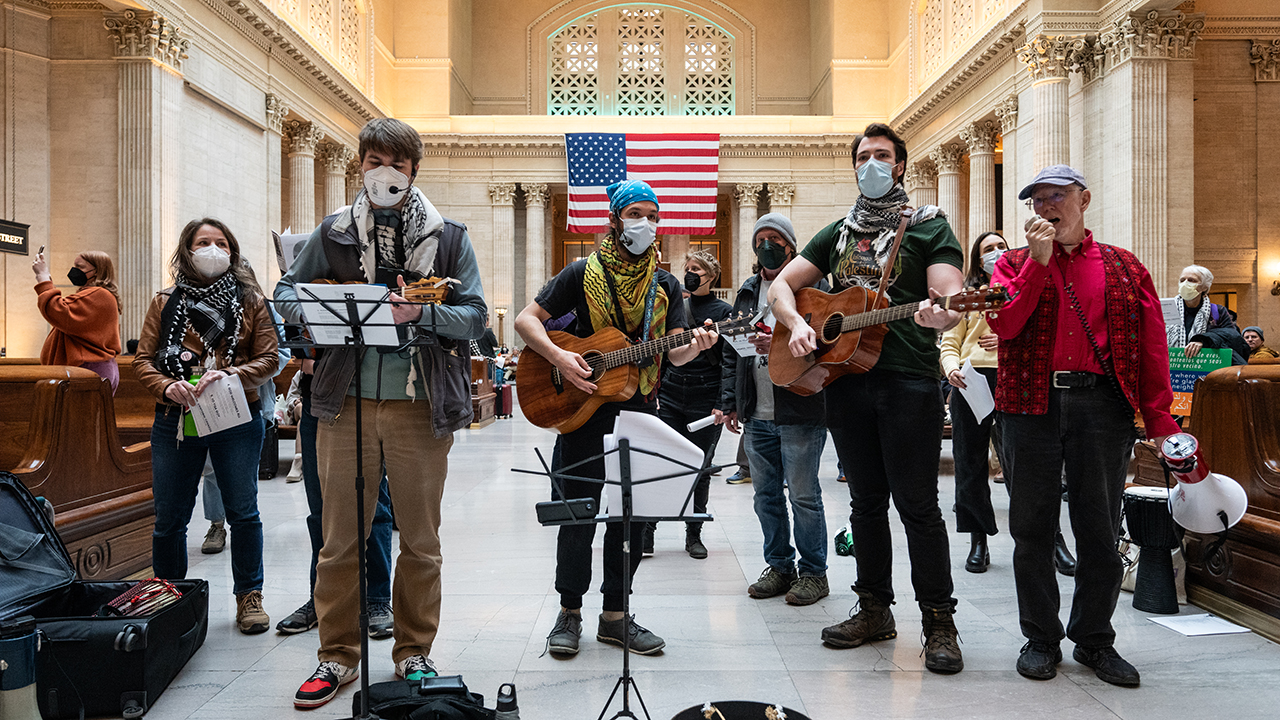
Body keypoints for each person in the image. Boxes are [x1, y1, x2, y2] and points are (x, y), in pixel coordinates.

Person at [275, 117, 487, 708]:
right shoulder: (335, 233)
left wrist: (417, 316)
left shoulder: (450, 237)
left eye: (395, 163)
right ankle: (336, 657)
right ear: (360, 167)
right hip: (345, 404)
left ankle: (413, 651)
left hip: (420, 405)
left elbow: (475, 316)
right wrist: (328, 305)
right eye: (372, 162)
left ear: (413, 169)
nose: (383, 173)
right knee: (340, 540)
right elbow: (284, 293)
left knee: (421, 538)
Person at [769, 123, 965, 673]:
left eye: (882, 156)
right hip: (846, 380)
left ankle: (939, 622)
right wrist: (797, 325)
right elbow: (781, 286)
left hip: (909, 380)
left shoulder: (927, 227)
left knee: (919, 506)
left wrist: (944, 310)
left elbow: (949, 292)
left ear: (900, 165)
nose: (871, 164)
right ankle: (874, 608)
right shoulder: (836, 232)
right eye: (862, 157)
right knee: (864, 504)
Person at [989, 165, 1181, 688]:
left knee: (1099, 527)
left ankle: (1095, 639)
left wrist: (1160, 419)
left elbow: (1151, 347)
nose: (1047, 207)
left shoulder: (1124, 267)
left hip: (1102, 407)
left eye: (1058, 197)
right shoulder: (1009, 264)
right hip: (1030, 405)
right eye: (1037, 201)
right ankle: (1041, 638)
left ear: (1084, 199)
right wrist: (1038, 264)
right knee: (1032, 528)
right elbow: (1004, 323)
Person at [515, 179, 714, 659]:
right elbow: (525, 320)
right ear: (614, 218)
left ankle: (616, 615)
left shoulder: (666, 286)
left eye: (653, 215)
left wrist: (697, 345)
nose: (645, 224)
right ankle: (569, 612)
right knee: (576, 515)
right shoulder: (580, 273)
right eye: (635, 214)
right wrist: (561, 360)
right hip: (580, 409)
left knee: (629, 518)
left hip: (639, 411)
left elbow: (679, 353)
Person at [133, 218, 279, 635]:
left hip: (236, 416)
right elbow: (143, 360)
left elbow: (270, 358)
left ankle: (249, 597)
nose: (212, 249)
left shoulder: (251, 300)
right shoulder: (164, 302)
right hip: (175, 419)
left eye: (221, 243)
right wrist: (167, 385)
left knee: (243, 512)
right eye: (203, 242)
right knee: (170, 516)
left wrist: (231, 375)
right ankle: (169, 597)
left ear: (232, 251)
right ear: (188, 249)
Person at [716, 213, 830, 606]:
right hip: (757, 411)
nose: (767, 244)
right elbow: (732, 354)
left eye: (775, 238)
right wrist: (731, 402)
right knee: (765, 496)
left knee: (803, 495)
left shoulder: (814, 286)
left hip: (800, 407)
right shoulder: (748, 290)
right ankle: (779, 566)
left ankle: (814, 573)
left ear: (790, 246)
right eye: (761, 238)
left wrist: (778, 345)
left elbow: (830, 346)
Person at [650, 249, 732, 560]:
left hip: (705, 397)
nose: (690, 272)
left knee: (701, 468)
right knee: (659, 463)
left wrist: (722, 403)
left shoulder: (725, 311)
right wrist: (655, 394)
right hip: (670, 396)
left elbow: (729, 361)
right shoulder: (676, 306)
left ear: (711, 276)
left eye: (696, 268)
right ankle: (648, 531)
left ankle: (693, 533)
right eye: (688, 267)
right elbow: (664, 360)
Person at [940, 232, 1006, 574]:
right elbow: (949, 343)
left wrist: (1007, 339)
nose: (996, 253)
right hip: (971, 381)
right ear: (978, 261)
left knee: (1028, 466)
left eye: (1001, 247)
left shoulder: (1021, 292)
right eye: (988, 249)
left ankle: (1050, 539)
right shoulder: (967, 297)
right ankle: (977, 540)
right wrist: (951, 369)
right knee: (970, 463)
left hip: (1012, 379)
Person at [31, 249, 122, 392]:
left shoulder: (100, 294)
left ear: (97, 271)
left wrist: (43, 277)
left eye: (80, 267)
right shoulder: (95, 295)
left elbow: (58, 311)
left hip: (88, 369)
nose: (74, 270)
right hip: (87, 368)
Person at [1166, 264, 1246, 362]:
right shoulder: (1167, 308)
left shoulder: (1218, 311)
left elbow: (1232, 336)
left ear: (1205, 287)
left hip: (1205, 365)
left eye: (1192, 280)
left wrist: (1204, 340)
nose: (1185, 284)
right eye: (1182, 280)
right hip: (1172, 364)